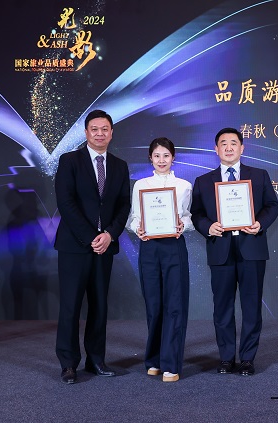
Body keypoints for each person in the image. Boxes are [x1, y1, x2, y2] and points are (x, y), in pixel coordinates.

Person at [190, 127, 278, 376]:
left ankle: (248, 358)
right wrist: (208, 227)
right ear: (216, 149)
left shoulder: (259, 175)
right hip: (221, 250)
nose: (228, 147)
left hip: (252, 248)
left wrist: (260, 223)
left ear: (242, 148)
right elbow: (196, 214)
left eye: (233, 143)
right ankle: (226, 358)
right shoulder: (203, 181)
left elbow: (272, 205)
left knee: (251, 306)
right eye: (223, 143)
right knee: (222, 307)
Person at [54, 109, 131, 384]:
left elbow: (124, 205)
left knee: (99, 306)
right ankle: (68, 363)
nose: (100, 133)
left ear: (112, 133)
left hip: (105, 246)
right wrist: (91, 237)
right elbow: (66, 202)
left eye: (105, 129)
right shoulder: (69, 160)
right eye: (94, 129)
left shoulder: (120, 166)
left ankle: (96, 359)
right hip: (75, 246)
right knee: (71, 306)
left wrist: (109, 234)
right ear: (86, 132)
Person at [126, 137, 193, 382]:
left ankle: (171, 364)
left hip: (174, 246)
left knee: (175, 304)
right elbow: (134, 217)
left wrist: (183, 225)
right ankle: (153, 359)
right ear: (150, 158)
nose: (161, 160)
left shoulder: (184, 186)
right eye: (157, 156)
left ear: (173, 158)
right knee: (154, 305)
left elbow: (188, 217)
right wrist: (137, 229)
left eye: (166, 155)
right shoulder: (140, 185)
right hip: (149, 247)